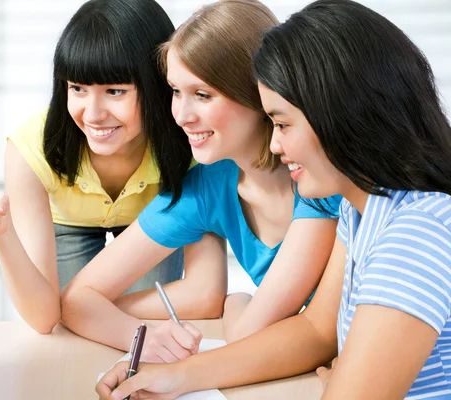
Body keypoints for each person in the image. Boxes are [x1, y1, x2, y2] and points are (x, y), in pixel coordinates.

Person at [95, 1, 451, 399]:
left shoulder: (415, 234)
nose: (276, 143)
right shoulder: (361, 209)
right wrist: (177, 376)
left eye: (282, 124)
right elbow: (315, 330)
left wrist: (347, 377)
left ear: (342, 116)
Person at [62, 0, 340, 364]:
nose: (181, 115)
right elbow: (77, 299)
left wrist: (236, 303)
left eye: (203, 95)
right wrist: (138, 337)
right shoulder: (208, 186)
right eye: (176, 91)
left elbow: (250, 334)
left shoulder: (321, 177)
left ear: (258, 92)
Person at [0, 0, 192, 334]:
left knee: (143, 323)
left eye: (115, 91)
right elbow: (44, 318)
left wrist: (89, 307)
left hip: (151, 219)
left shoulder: (190, 141)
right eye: (78, 89)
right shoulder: (30, 148)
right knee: (66, 333)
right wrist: (2, 233)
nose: (93, 114)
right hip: (67, 222)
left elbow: (199, 296)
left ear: (157, 85)